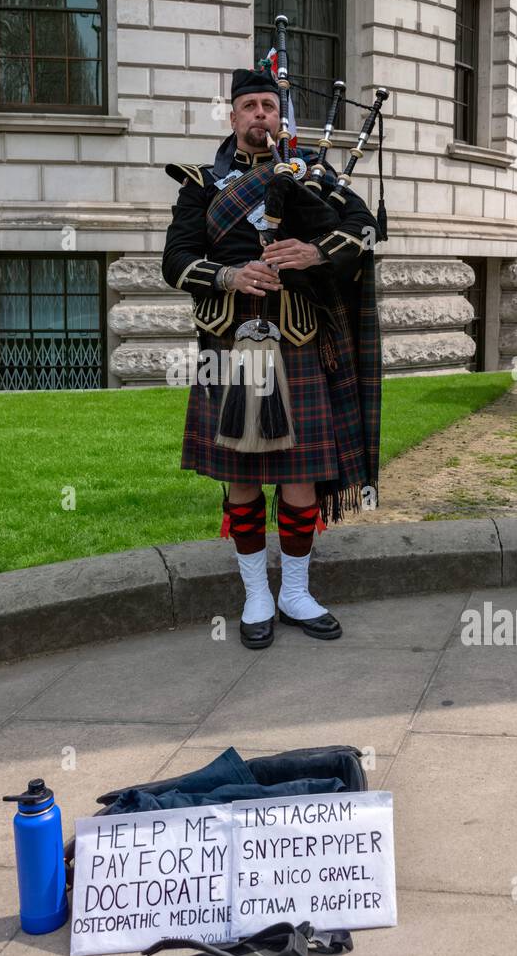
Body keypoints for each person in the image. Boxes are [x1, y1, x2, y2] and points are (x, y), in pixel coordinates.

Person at [161, 66, 382, 650]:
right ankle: (256, 593)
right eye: (249, 106)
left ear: (279, 116)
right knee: (240, 481)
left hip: (296, 340)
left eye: (269, 105)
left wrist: (313, 252)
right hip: (231, 345)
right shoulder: (202, 183)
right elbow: (176, 262)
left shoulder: (312, 172)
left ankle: (296, 592)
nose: (260, 114)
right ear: (232, 116)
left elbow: (363, 230)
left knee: (302, 478)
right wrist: (230, 275)